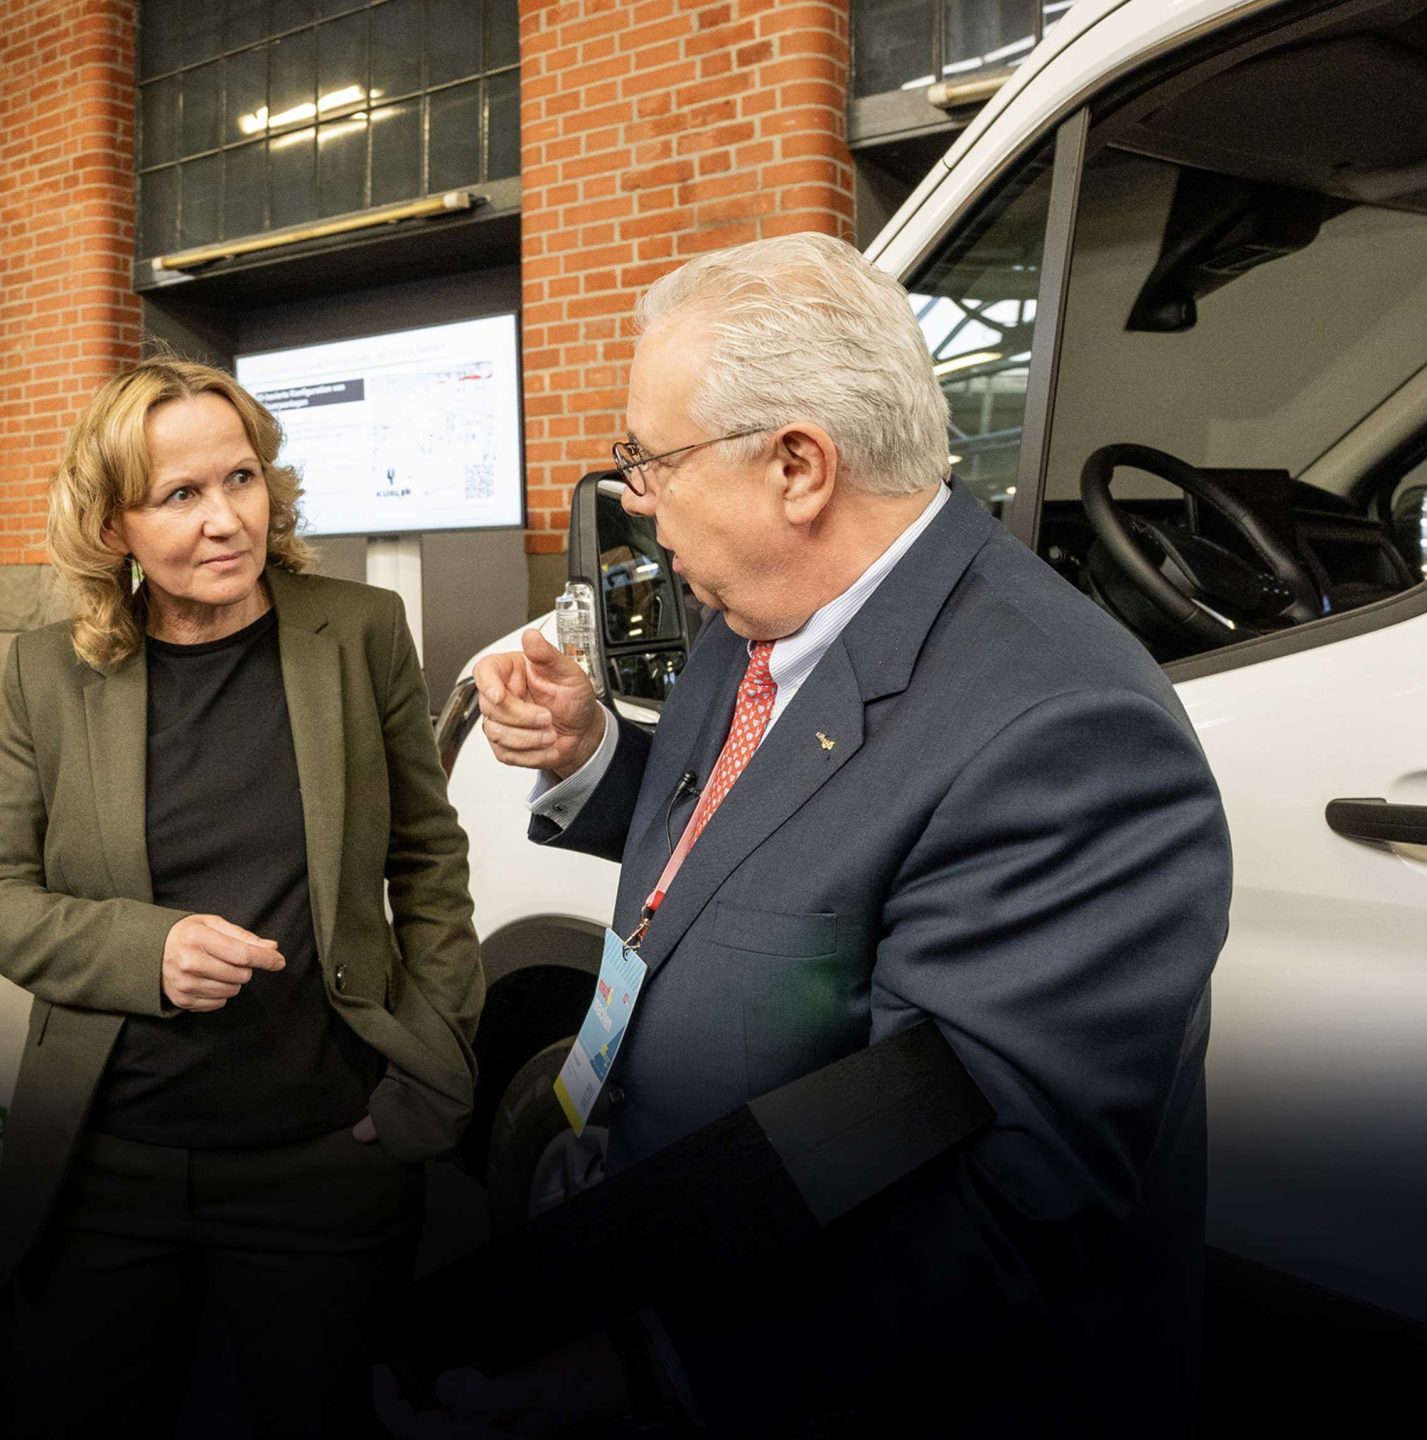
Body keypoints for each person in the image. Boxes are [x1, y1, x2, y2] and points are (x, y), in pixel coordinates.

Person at [471, 233, 1231, 1436]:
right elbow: (744, 844)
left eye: (650, 457)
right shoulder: (752, 611)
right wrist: (592, 757)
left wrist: (634, 1369)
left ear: (797, 467)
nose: (632, 495)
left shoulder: (1065, 736)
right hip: (668, 1230)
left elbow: (985, 1210)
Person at [0, 359, 484, 1438]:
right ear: (115, 524)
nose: (225, 520)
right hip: (105, 1162)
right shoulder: (45, 675)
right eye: (179, 496)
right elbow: (5, 894)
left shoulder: (358, 631)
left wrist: (433, 1073)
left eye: (242, 479)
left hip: (325, 1155)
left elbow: (429, 863)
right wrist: (145, 950)